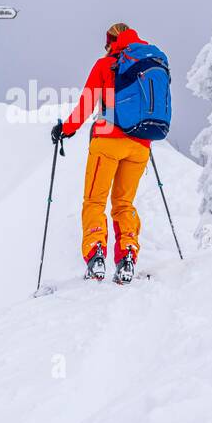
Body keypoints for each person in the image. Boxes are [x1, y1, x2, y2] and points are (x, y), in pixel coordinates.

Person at [51, 23, 153, 283]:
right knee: (124, 204)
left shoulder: (105, 65)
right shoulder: (149, 63)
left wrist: (67, 128)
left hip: (108, 140)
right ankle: (127, 255)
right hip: (140, 145)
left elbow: (87, 102)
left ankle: (96, 255)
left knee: (95, 201)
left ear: (111, 42)